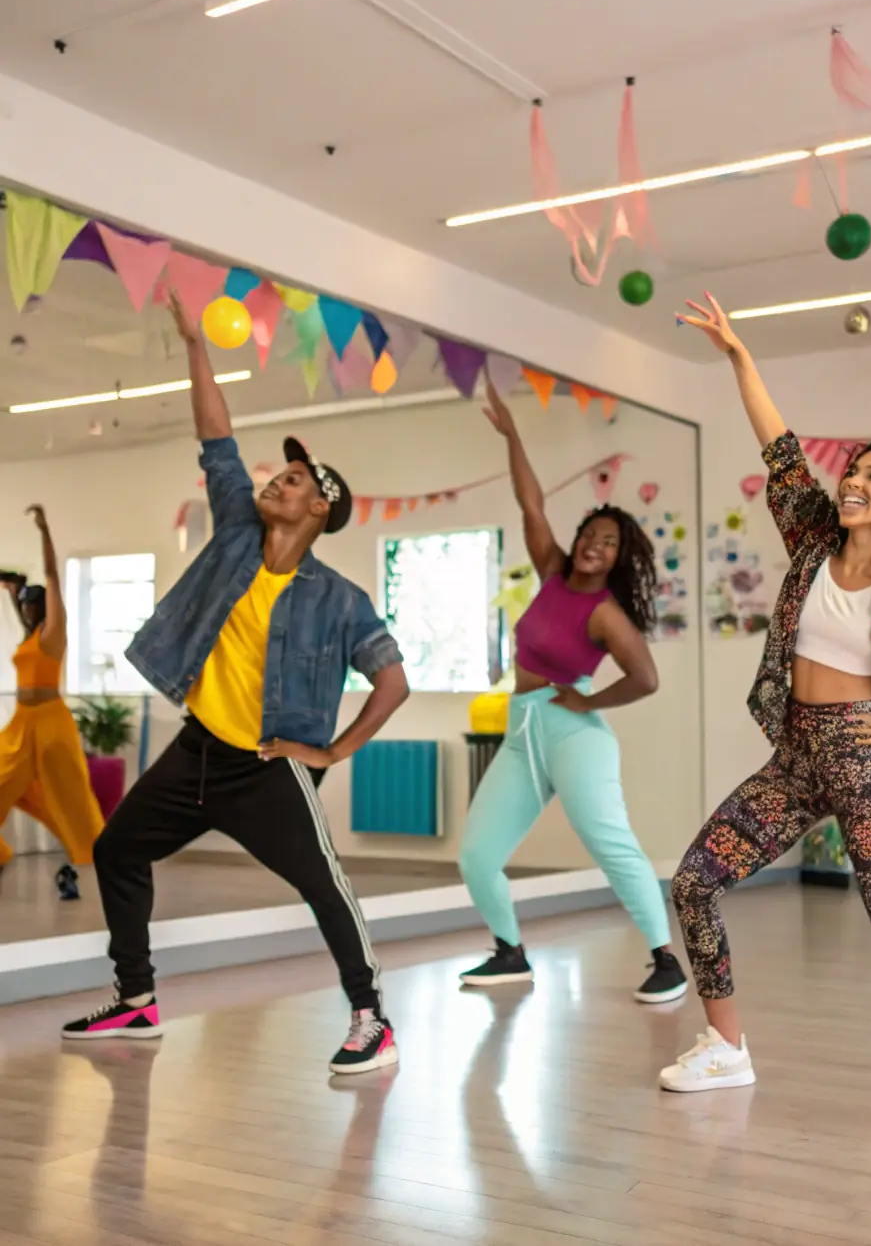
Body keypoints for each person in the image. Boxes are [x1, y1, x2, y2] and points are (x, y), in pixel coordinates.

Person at [661, 293, 871, 1138]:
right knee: (694, 881)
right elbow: (778, 445)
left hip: (860, 755)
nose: (853, 479)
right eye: (853, 469)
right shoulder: (812, 540)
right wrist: (738, 355)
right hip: (795, 754)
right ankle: (726, 1045)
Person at [61, 291, 410, 1075]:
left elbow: (392, 680)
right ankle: (137, 998)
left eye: (293, 480)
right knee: (117, 846)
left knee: (325, 887)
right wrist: (195, 343)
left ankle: (371, 1018)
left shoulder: (337, 599)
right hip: (197, 752)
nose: (275, 483)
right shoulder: (235, 534)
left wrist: (331, 754)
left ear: (322, 508)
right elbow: (216, 437)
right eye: (278, 474)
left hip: (268, 764)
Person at [457, 380, 688, 1003]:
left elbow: (646, 678)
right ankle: (509, 952)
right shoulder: (553, 573)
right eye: (592, 534)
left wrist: (587, 702)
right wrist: (513, 436)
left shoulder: (608, 614)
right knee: (477, 855)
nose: (595, 546)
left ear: (618, 558)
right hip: (522, 733)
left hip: (573, 735)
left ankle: (666, 959)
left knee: (610, 844)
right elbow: (530, 502)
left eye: (609, 543)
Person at [0, 510, 104, 899]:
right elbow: (22, 607)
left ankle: (98, 854)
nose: (26, 608)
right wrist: (12, 594)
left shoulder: (54, 633)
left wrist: (44, 531)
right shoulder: (29, 638)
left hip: (49, 721)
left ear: (44, 607)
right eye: (23, 604)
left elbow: (53, 579)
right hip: (21, 722)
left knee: (69, 794)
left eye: (32, 604)